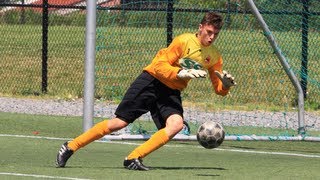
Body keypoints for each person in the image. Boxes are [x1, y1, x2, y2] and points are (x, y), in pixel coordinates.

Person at [56, 12, 236, 171]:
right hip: (150, 82)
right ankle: (71, 146)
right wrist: (179, 72)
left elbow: (219, 90)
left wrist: (225, 85)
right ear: (201, 27)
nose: (211, 37)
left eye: (216, 34)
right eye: (209, 32)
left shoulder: (214, 56)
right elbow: (159, 66)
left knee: (176, 125)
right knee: (118, 123)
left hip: (170, 91)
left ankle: (133, 158)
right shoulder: (183, 41)